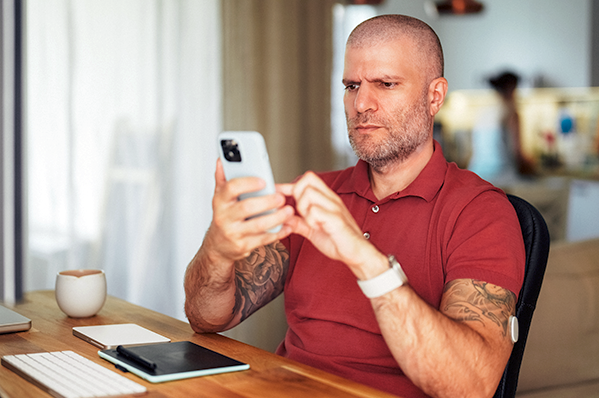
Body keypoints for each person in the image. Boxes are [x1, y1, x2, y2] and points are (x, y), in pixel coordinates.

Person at [184, 14, 525, 398]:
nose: (361, 103)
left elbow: (470, 385)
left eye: (386, 83)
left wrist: (365, 259)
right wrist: (218, 248)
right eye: (351, 85)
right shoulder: (314, 194)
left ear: (435, 96)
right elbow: (206, 317)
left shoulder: (481, 212)